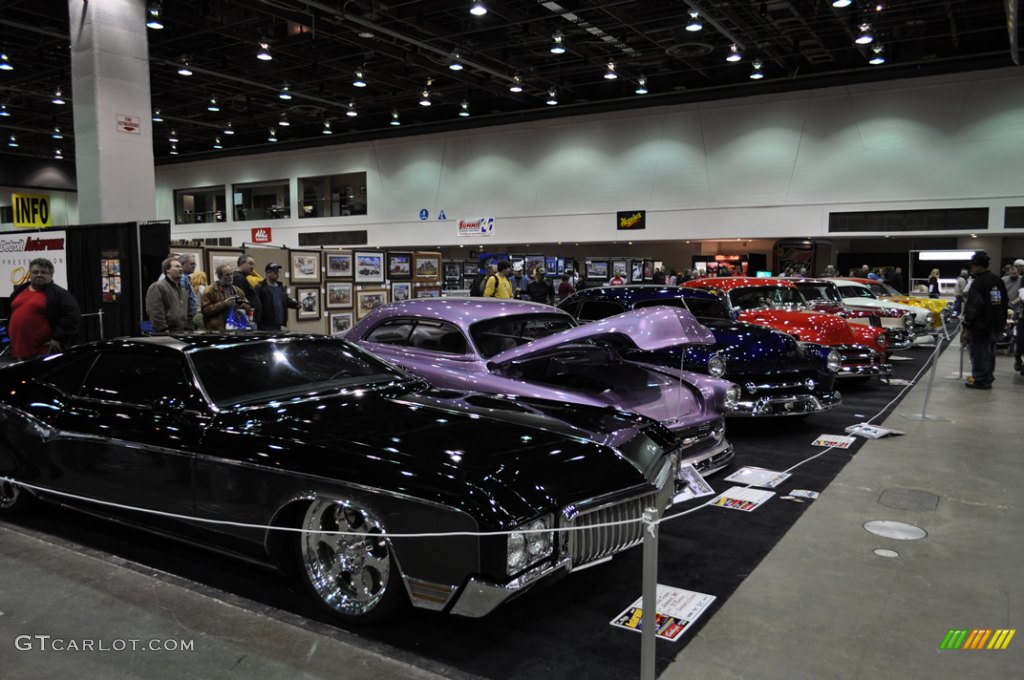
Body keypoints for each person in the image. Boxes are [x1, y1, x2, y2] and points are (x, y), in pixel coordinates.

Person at [6, 257, 80, 359]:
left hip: (43, 352)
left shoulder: (60, 294)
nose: (39, 275)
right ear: (30, 273)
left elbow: (72, 316)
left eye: (44, 272)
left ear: (51, 275)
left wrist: (57, 338)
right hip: (18, 350)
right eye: (35, 272)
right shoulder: (20, 290)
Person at [962, 252, 1007, 390]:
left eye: (973, 266)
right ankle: (987, 377)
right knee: (990, 352)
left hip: (981, 326)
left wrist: (966, 327)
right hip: (996, 324)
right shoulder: (997, 280)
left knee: (979, 353)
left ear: (979, 266)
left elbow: (973, 306)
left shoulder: (979, 283)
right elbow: (1002, 303)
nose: (971, 269)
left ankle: (981, 380)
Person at [145, 256, 190, 334]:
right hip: (165, 334)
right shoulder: (157, 287)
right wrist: (163, 331)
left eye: (181, 267)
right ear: (167, 270)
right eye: (177, 266)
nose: (181, 269)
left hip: (182, 333)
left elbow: (188, 313)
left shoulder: (183, 290)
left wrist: (188, 329)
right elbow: (155, 312)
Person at [202, 263, 250, 331]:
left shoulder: (237, 290)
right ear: (219, 276)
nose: (230, 277)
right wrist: (225, 304)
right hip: (216, 330)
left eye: (231, 274)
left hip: (235, 329)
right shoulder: (210, 290)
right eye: (227, 275)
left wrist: (242, 305)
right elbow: (205, 311)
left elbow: (249, 308)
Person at [255, 263, 299, 330]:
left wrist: (295, 304)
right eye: (275, 272)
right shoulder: (260, 287)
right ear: (268, 273)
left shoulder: (280, 287)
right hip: (265, 325)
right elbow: (256, 305)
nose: (277, 274)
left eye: (278, 272)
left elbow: (285, 301)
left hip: (278, 324)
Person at [233, 255, 262, 326]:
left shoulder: (242, 277)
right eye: (250, 263)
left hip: (250, 318)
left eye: (253, 264)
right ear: (242, 264)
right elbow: (240, 301)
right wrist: (249, 319)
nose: (253, 267)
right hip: (248, 320)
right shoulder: (239, 278)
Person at [176, 253, 200, 321]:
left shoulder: (186, 277)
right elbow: (182, 300)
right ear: (182, 264)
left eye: (195, 264)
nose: (194, 266)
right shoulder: (182, 279)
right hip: (186, 319)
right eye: (192, 264)